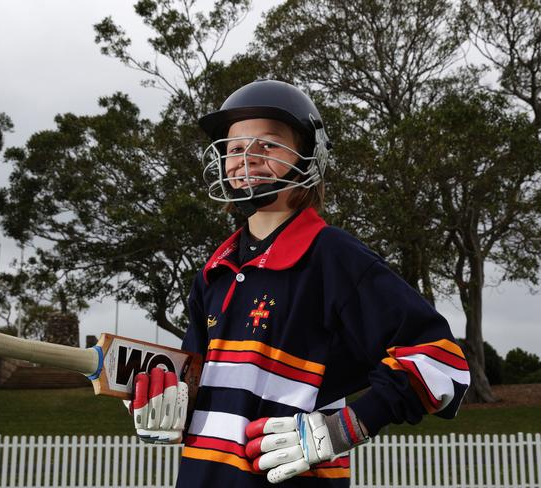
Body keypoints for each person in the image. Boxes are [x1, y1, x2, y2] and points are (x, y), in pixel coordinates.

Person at [127, 79, 471, 487]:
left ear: (310, 155)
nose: (247, 157)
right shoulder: (212, 273)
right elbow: (194, 385)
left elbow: (442, 361)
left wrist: (345, 427)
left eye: (268, 144)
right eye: (235, 148)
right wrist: (163, 403)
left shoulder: (333, 257)